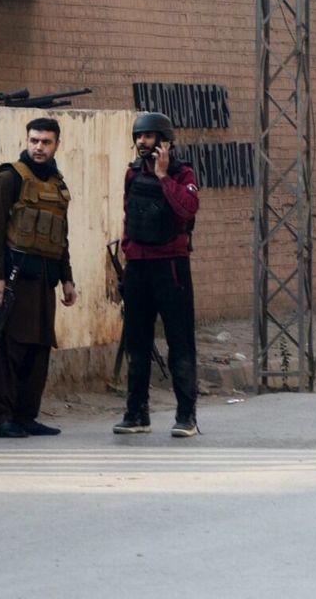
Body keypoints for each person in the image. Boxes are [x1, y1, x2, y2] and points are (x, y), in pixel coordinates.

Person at [0, 117, 78, 438]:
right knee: (8, 348)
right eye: (34, 140)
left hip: (45, 280)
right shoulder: (9, 178)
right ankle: (3, 419)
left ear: (56, 145)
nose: (39, 147)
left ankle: (26, 416)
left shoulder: (57, 184)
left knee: (38, 349)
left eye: (46, 142)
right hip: (13, 279)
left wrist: (67, 278)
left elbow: (60, 236)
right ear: (26, 141)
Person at [113, 112, 201, 438]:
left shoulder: (183, 173)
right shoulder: (132, 173)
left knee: (180, 342)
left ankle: (186, 416)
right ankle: (137, 414)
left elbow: (187, 209)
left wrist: (164, 177)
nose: (142, 142)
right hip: (138, 266)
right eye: (139, 136)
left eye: (148, 136)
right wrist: (127, 256)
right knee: (137, 343)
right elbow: (129, 215)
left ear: (164, 141)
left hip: (171, 266)